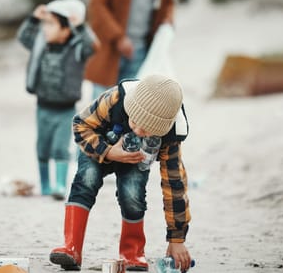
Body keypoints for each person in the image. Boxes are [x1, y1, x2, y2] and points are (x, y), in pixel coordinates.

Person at [50, 74, 192, 271]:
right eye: (135, 121)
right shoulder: (115, 98)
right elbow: (80, 125)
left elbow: (175, 185)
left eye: (149, 130)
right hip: (98, 145)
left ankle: (132, 253)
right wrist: (108, 151)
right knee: (86, 180)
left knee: (132, 195)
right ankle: (71, 248)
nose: (139, 130)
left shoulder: (171, 136)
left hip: (136, 158)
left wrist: (177, 239)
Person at [17, 0, 98, 200]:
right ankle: (45, 184)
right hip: (42, 107)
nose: (46, 28)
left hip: (66, 110)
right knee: (42, 147)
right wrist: (34, 19)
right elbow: (23, 37)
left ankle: (60, 184)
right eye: (45, 24)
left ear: (66, 28)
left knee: (60, 148)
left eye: (51, 24)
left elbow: (92, 46)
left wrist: (80, 25)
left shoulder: (77, 49)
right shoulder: (40, 44)